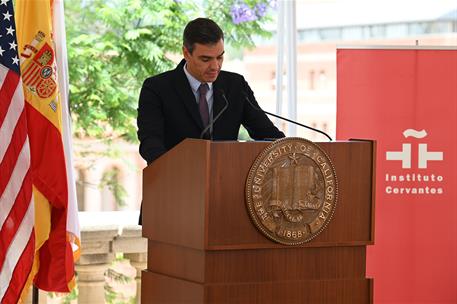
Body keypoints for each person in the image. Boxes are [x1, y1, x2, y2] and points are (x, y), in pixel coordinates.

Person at [137, 17, 285, 165]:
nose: (215, 66)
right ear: (186, 53)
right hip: (177, 181)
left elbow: (268, 134)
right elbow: (150, 142)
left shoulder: (235, 86)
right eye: (206, 59)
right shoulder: (157, 88)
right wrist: (170, 170)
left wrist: (289, 151)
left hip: (226, 179)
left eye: (220, 57)